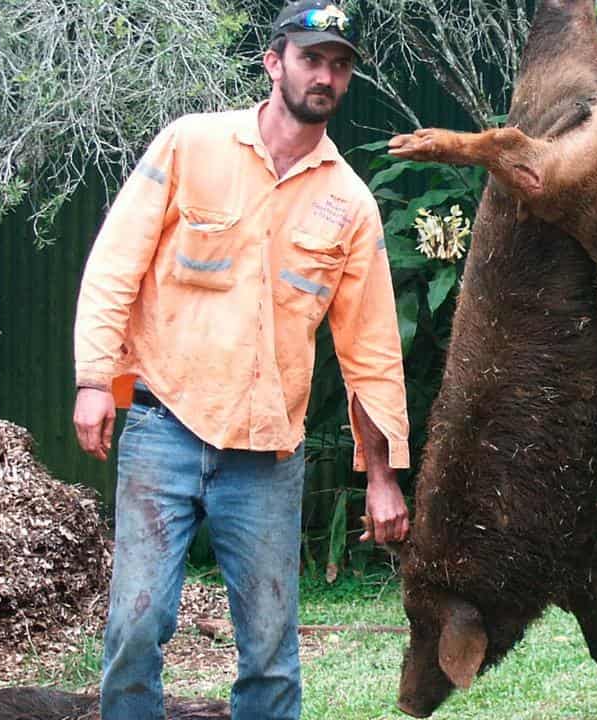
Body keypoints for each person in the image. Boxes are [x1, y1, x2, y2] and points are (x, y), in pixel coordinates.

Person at [71, 3, 411, 718]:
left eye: (339, 65)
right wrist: (95, 378)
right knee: (135, 627)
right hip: (164, 428)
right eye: (311, 58)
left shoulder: (349, 203)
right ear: (274, 62)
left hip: (266, 456)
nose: (325, 75)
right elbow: (115, 264)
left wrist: (382, 476)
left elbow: (371, 352)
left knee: (270, 654)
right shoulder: (191, 146)